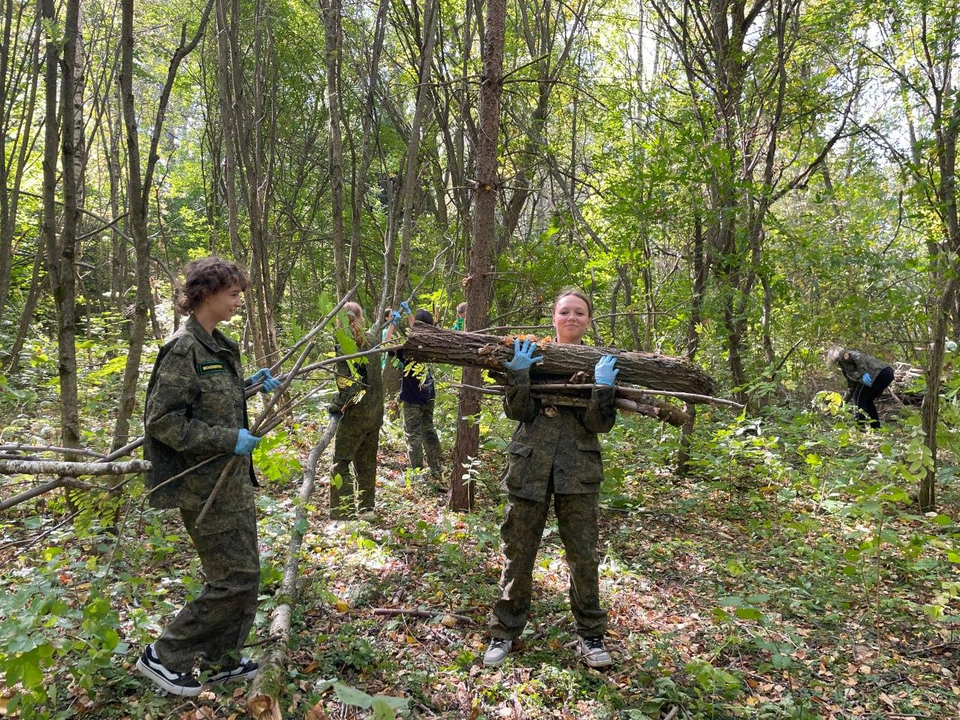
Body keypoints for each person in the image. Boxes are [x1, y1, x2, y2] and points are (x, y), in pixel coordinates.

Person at [138, 257, 281, 696]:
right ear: (207, 294)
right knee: (230, 578)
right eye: (234, 293)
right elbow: (163, 421)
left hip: (233, 482)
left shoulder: (218, 345)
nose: (239, 301)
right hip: (204, 486)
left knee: (247, 574)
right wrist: (226, 439)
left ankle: (223, 662)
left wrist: (249, 387)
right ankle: (164, 655)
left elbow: (211, 399)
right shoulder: (183, 349)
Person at [484, 288, 619, 669]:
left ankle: (591, 636)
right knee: (518, 553)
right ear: (554, 318)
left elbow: (599, 424)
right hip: (529, 470)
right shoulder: (532, 353)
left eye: (579, 312)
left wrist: (604, 388)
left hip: (578, 473)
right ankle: (504, 633)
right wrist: (521, 375)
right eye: (565, 312)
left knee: (583, 557)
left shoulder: (603, 361)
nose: (572, 317)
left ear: (589, 320)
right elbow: (517, 411)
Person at [328, 302, 386, 519]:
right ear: (361, 317)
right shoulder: (372, 339)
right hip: (374, 414)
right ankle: (367, 509)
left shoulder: (344, 342)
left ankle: (343, 515)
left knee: (340, 463)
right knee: (367, 463)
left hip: (356, 415)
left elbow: (349, 387)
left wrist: (336, 405)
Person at [384, 305, 443, 482]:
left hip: (412, 394)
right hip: (428, 391)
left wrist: (393, 325)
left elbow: (386, 345)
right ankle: (436, 469)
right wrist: (410, 315)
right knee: (428, 429)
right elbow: (420, 329)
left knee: (414, 433)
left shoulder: (408, 345)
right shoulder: (434, 343)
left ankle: (418, 473)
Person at [827, 345, 894, 429]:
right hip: (887, 373)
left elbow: (858, 356)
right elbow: (851, 388)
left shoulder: (842, 355)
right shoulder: (846, 369)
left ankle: (860, 428)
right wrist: (842, 403)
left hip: (877, 373)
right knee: (867, 400)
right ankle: (876, 427)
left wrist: (863, 373)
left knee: (857, 398)